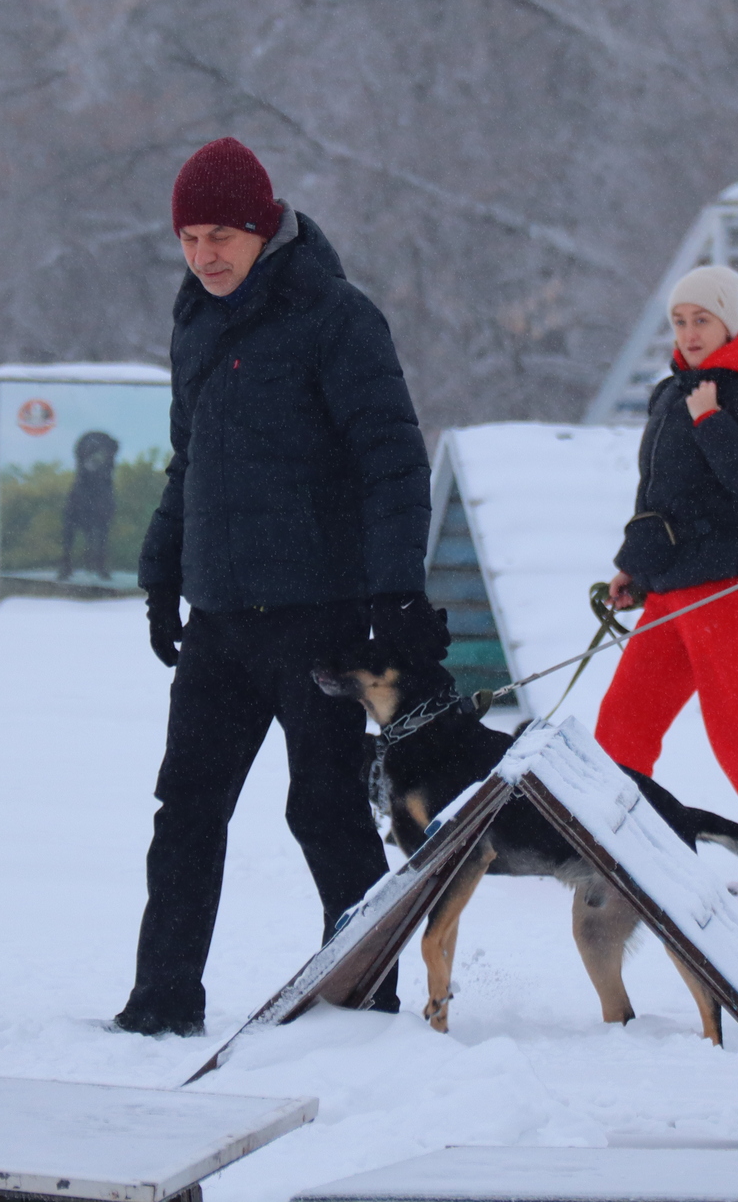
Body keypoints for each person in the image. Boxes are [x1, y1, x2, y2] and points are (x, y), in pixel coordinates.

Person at [113, 137, 446, 1037]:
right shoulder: (194, 319)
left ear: (263, 226)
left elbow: (393, 460)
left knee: (324, 808)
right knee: (185, 808)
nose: (204, 255)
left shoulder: (335, 316)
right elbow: (192, 463)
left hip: (320, 621)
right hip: (222, 618)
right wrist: (161, 574)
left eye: (221, 234)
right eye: (187, 238)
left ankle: (366, 994)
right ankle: (163, 998)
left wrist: (396, 592)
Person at [594, 265, 738, 900]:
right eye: (680, 321)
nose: (690, 332)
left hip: (722, 589)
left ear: (728, 322)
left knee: (737, 727)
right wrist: (634, 568)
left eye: (702, 320)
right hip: (669, 587)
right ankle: (615, 846)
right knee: (622, 723)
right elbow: (657, 495)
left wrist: (712, 421)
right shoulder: (672, 392)